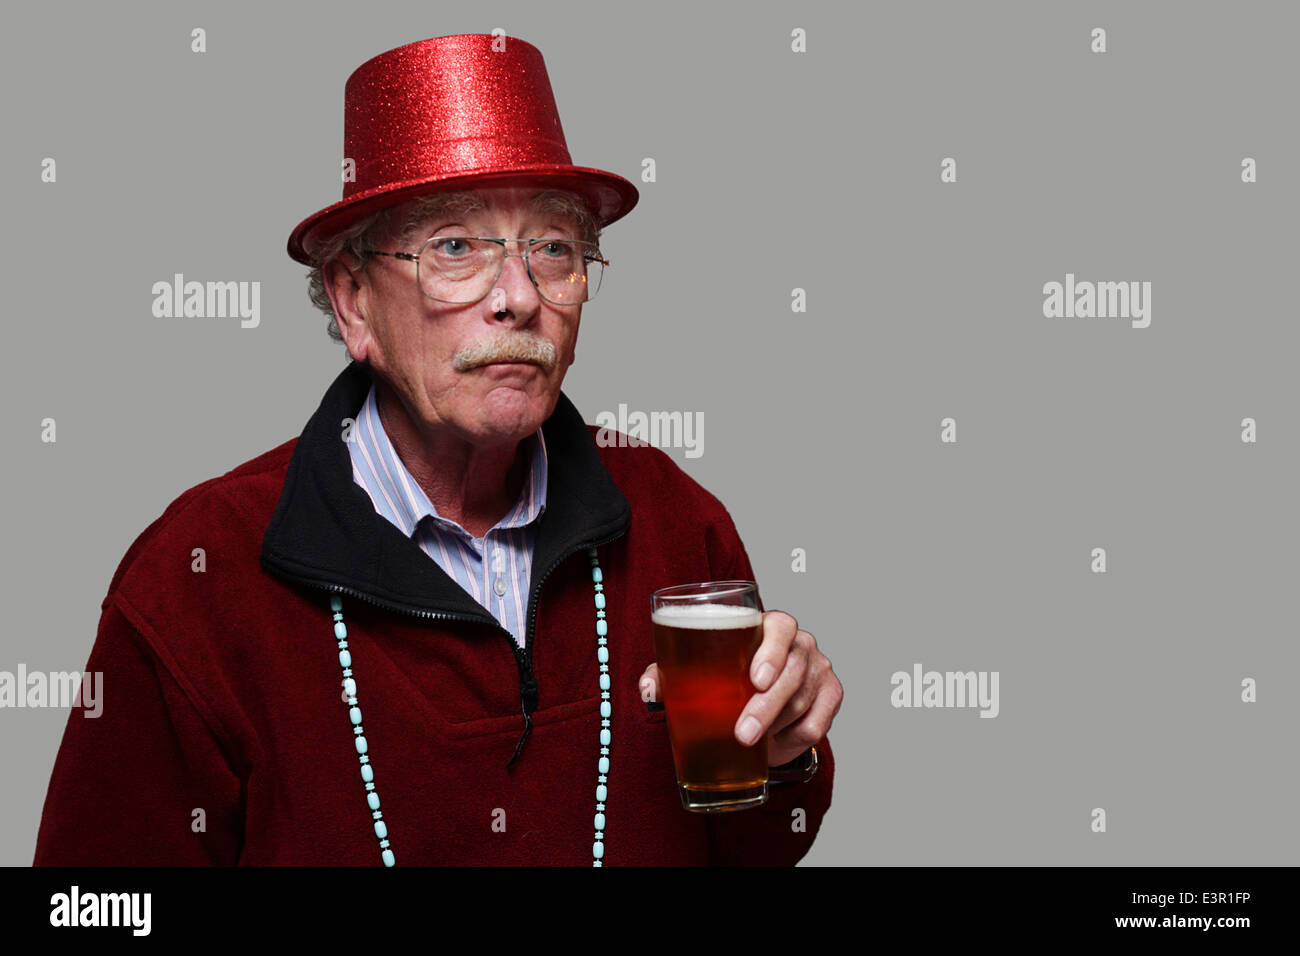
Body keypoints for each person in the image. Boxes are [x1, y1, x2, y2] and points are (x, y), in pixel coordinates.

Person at [33, 34, 842, 866]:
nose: (519, 299)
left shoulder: (674, 520)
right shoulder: (198, 576)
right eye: (456, 247)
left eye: (554, 249)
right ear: (353, 303)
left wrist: (782, 757)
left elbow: (751, 850)